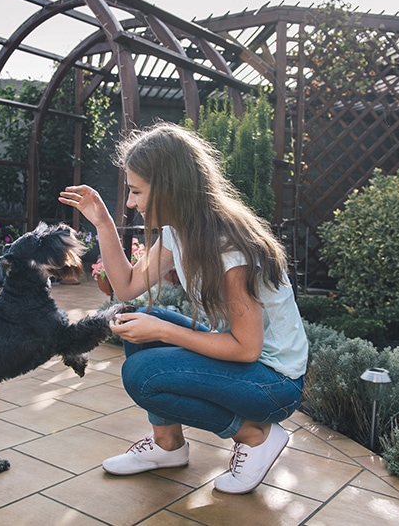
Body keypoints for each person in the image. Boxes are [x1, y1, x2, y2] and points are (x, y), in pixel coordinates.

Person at [58, 121, 308, 495]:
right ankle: (167, 446)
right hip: (246, 363)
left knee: (143, 373)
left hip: (273, 383)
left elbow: (247, 348)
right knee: (139, 318)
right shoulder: (180, 229)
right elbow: (126, 285)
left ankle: (256, 435)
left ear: (169, 188)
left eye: (137, 191)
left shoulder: (229, 247)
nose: (131, 202)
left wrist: (161, 332)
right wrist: (104, 223)